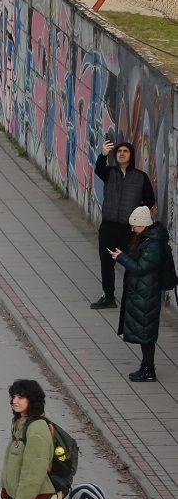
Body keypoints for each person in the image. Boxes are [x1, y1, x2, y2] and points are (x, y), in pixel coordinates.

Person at [90, 138, 157, 309]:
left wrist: (138, 214)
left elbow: (150, 199)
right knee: (106, 262)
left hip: (130, 229)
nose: (121, 154)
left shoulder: (140, 177)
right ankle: (109, 296)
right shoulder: (110, 173)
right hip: (109, 226)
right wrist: (103, 155)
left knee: (131, 262)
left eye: (125, 151)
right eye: (119, 151)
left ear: (131, 155)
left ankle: (133, 298)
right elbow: (98, 169)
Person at [113, 205, 166, 381]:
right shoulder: (146, 239)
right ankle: (146, 366)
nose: (132, 229)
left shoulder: (153, 245)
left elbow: (141, 268)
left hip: (147, 295)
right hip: (142, 293)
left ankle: (149, 370)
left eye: (135, 226)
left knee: (147, 335)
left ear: (143, 224)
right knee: (145, 334)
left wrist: (121, 258)